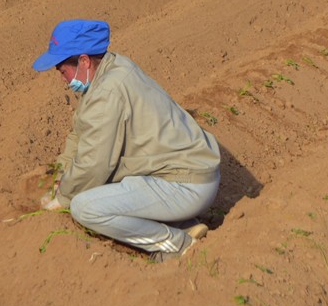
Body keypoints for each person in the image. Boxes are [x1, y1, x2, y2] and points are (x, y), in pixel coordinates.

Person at [32, 19, 221, 262]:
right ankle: (183, 225)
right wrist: (61, 172)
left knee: (85, 207)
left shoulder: (107, 92)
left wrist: (63, 197)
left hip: (187, 185)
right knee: (105, 182)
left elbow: (94, 164)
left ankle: (176, 245)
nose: (62, 77)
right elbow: (81, 131)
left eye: (62, 69)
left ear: (84, 61)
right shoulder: (110, 68)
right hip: (183, 173)